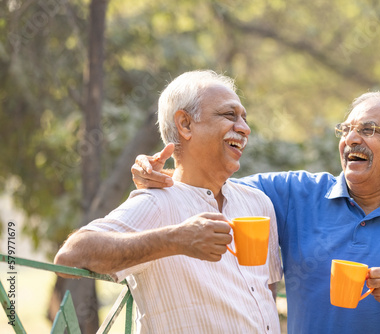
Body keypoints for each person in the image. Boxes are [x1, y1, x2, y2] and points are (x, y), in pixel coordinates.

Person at [131, 92, 380, 334]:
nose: (351, 139)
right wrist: (158, 172)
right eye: (346, 129)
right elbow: (208, 182)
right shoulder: (296, 193)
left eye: (369, 130)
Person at [54, 70, 282, 333]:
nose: (244, 128)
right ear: (185, 124)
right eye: (230, 115)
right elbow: (69, 258)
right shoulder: (157, 202)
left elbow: (267, 291)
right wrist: (176, 240)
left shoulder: (258, 204)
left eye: (244, 118)